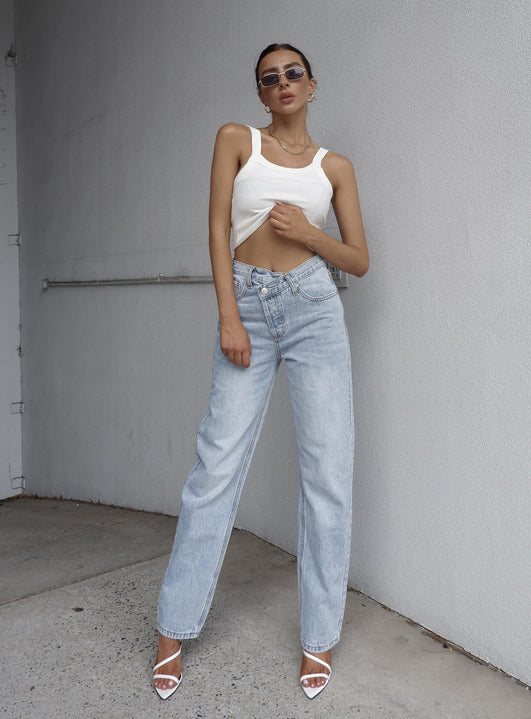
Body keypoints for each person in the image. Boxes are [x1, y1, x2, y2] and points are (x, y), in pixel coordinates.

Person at [153, 42, 369, 701]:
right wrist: (228, 314)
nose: (282, 83)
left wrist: (308, 234)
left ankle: (319, 635)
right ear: (260, 93)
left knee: (327, 472)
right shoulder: (236, 139)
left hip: (313, 307)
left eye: (292, 74)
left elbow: (358, 260)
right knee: (215, 464)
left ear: (311, 85)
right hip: (245, 303)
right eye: (269, 78)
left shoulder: (335, 167)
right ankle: (172, 626)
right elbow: (217, 228)